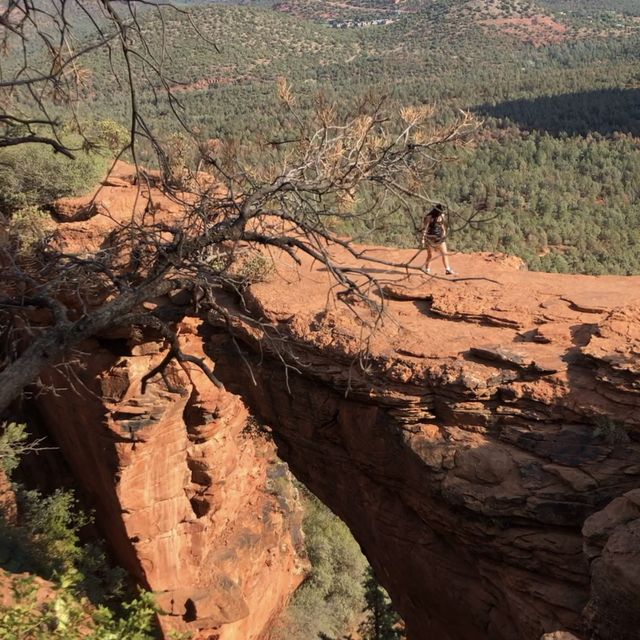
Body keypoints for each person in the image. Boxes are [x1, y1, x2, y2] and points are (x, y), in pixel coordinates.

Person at [420, 203, 456, 275]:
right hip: (431, 238)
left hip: (439, 238)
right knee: (430, 255)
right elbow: (425, 228)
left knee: (444, 254)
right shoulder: (429, 217)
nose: (442, 213)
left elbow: (442, 225)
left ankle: (447, 269)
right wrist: (423, 239)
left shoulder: (441, 216)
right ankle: (427, 270)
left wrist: (444, 233)